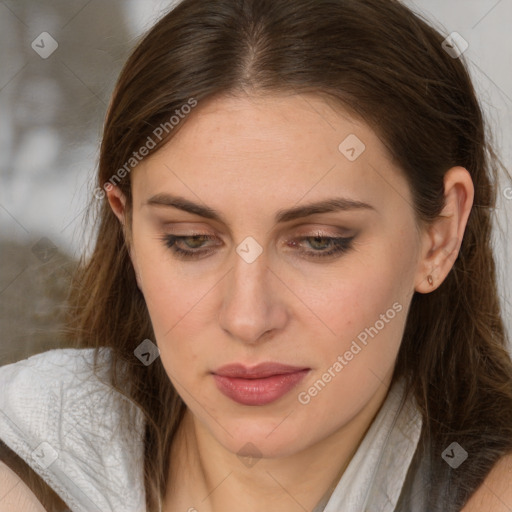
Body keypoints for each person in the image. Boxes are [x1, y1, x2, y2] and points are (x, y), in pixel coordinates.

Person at [1, 0, 512, 510]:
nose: (247, 319)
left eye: (319, 241)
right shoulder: (31, 450)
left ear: (440, 236)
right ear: (128, 227)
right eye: (190, 240)